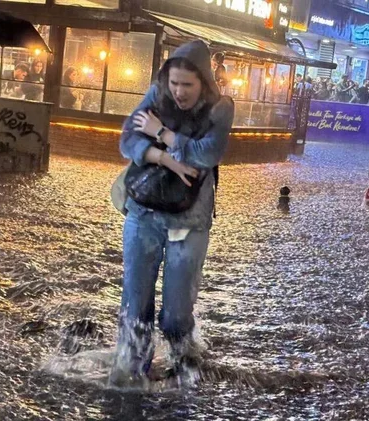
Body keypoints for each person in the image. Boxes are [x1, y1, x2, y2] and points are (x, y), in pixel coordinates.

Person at [110, 40, 234, 388]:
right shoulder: (157, 94)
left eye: (187, 85)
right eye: (174, 83)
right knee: (136, 302)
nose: (179, 92)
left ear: (204, 83)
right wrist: (166, 158)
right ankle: (132, 376)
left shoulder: (220, 109)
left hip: (190, 220)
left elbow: (207, 155)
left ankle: (184, 371)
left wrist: (162, 133)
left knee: (176, 313)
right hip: (144, 210)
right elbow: (127, 140)